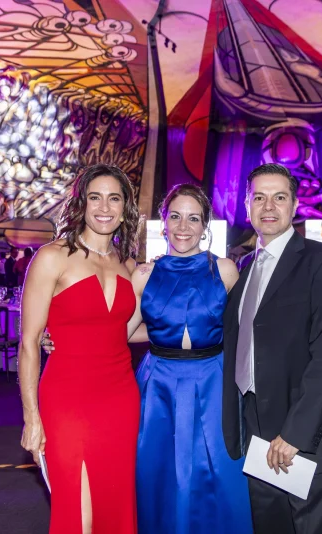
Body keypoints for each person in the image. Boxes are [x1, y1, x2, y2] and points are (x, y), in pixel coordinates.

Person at [222, 163, 322, 533]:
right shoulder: (246, 266)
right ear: (247, 206)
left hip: (302, 433)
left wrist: (295, 433)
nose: (268, 206)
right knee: (270, 526)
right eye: (259, 197)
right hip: (254, 427)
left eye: (279, 197)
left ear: (294, 206)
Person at [18, 164, 140, 534]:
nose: (104, 207)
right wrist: (32, 417)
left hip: (120, 399)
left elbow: (123, 332)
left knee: (113, 507)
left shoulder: (128, 265)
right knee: (78, 511)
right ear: (81, 204)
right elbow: (28, 342)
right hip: (67, 398)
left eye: (114, 198)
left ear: (125, 208)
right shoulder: (52, 257)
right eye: (95, 197)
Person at [128, 184, 252, 534]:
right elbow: (123, 333)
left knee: (219, 472)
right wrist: (59, 338)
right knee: (160, 471)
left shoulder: (225, 270)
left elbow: (246, 330)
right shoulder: (144, 274)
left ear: (205, 225)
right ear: (163, 223)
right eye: (176, 217)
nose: (184, 227)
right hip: (159, 383)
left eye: (193, 218)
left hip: (213, 378)